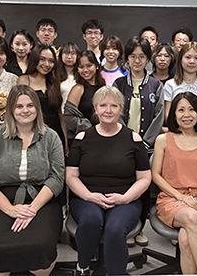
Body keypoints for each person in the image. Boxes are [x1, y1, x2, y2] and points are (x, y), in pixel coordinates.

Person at [0, 85, 65, 276]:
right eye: (19, 106)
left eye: (30, 105)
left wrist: (32, 209)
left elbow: (57, 177)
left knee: (40, 246)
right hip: (0, 199)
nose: (25, 110)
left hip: (41, 199)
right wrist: (10, 209)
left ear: (37, 109)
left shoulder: (51, 137)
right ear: (10, 110)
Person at [66, 86, 151, 276]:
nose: (108, 110)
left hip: (125, 198)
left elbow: (145, 178)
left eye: (114, 106)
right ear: (95, 108)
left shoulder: (133, 138)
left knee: (114, 229)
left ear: (121, 109)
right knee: (90, 221)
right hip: (86, 197)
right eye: (103, 105)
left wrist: (125, 198)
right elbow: (71, 176)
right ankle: (83, 267)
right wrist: (89, 195)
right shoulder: (82, 138)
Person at [151, 92, 197, 274]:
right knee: (191, 218)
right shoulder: (163, 140)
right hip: (171, 198)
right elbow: (156, 176)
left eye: (192, 110)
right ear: (173, 114)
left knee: (186, 239)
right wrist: (180, 196)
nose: (187, 115)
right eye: (181, 110)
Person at [114, 36, 164, 152]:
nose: (137, 61)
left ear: (147, 59)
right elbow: (115, 114)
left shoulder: (156, 85)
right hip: (122, 145)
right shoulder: (118, 84)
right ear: (127, 59)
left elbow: (159, 116)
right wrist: (126, 138)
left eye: (141, 57)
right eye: (133, 56)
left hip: (149, 148)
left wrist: (146, 142)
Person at [18, 43, 68, 152]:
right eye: (43, 59)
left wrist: (65, 140)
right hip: (33, 135)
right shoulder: (24, 80)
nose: (47, 64)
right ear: (35, 59)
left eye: (51, 61)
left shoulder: (54, 82)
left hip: (55, 135)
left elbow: (59, 113)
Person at [164, 42, 197, 132]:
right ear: (181, 59)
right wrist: (177, 130)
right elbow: (168, 113)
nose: (192, 61)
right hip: (176, 132)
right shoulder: (170, 84)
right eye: (188, 57)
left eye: (196, 58)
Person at [65, 50, 106, 145]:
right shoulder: (78, 89)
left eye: (89, 65)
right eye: (81, 67)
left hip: (102, 140)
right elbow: (68, 118)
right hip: (82, 140)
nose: (85, 70)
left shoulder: (103, 88)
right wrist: (90, 129)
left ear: (96, 66)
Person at [58, 42, 81, 110]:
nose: (69, 57)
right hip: (61, 113)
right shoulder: (56, 75)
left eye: (73, 53)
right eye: (66, 53)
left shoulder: (82, 75)